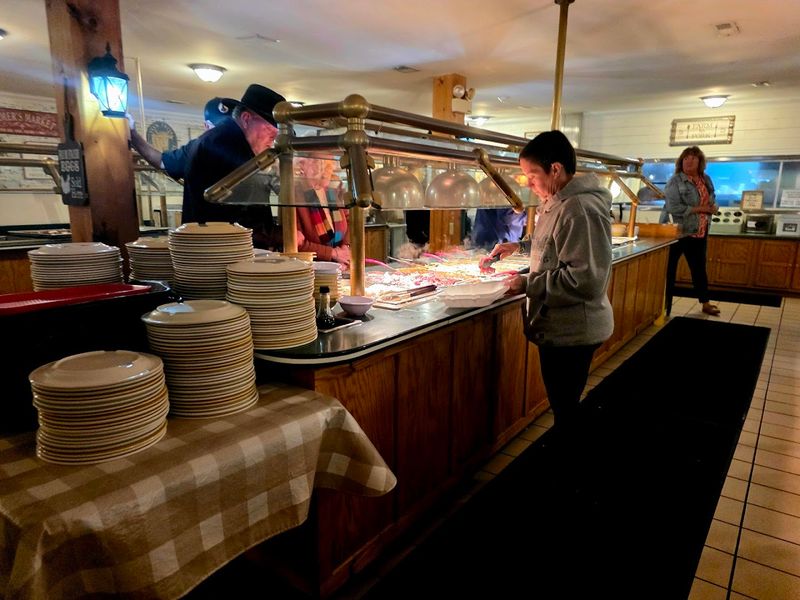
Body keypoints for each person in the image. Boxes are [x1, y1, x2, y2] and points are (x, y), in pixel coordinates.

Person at [481, 130, 614, 431]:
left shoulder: (579, 209)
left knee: (565, 407)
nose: (528, 184)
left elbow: (586, 280)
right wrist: (520, 247)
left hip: (573, 330)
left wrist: (526, 283)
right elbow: (556, 242)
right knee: (563, 402)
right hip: (559, 327)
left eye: (532, 175)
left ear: (555, 169)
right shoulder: (557, 201)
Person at [182, 83, 286, 249]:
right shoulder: (227, 147)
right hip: (217, 251)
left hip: (215, 248)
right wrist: (279, 235)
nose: (272, 141)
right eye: (270, 132)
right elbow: (239, 220)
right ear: (246, 119)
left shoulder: (223, 139)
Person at [663, 146, 719, 316]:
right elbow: (673, 207)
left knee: (699, 269)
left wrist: (713, 206)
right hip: (678, 232)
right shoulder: (675, 181)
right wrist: (702, 209)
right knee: (669, 271)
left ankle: (705, 303)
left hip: (700, 231)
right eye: (686, 158)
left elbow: (711, 197)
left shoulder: (706, 179)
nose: (689, 161)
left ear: (700, 162)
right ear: (681, 161)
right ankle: (664, 307)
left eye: (693, 158)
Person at [128, 97, 238, 179]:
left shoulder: (245, 149)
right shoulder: (198, 150)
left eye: (232, 125)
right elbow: (161, 161)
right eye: (221, 126)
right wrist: (133, 134)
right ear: (207, 126)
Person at [294, 156, 350, 266]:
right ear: (302, 165)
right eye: (316, 162)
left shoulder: (334, 190)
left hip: (341, 266)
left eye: (328, 164)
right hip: (310, 268)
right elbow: (297, 242)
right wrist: (332, 253)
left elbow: (350, 221)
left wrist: (345, 248)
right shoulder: (294, 194)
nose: (324, 169)